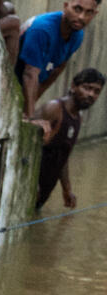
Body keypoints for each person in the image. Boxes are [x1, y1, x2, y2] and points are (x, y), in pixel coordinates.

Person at [15, 0, 99, 118]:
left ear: (95, 14)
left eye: (88, 12)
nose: (81, 17)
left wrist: (30, 103)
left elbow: (57, 69)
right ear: (66, 6)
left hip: (25, 88)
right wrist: (30, 116)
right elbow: (30, 74)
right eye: (77, 9)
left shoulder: (78, 34)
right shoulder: (42, 29)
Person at [35, 67, 104, 208]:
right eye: (87, 88)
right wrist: (30, 183)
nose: (91, 94)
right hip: (29, 189)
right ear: (73, 86)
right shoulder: (54, 109)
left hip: (42, 194)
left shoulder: (77, 119)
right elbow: (24, 145)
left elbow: (63, 157)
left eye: (96, 91)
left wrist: (67, 190)